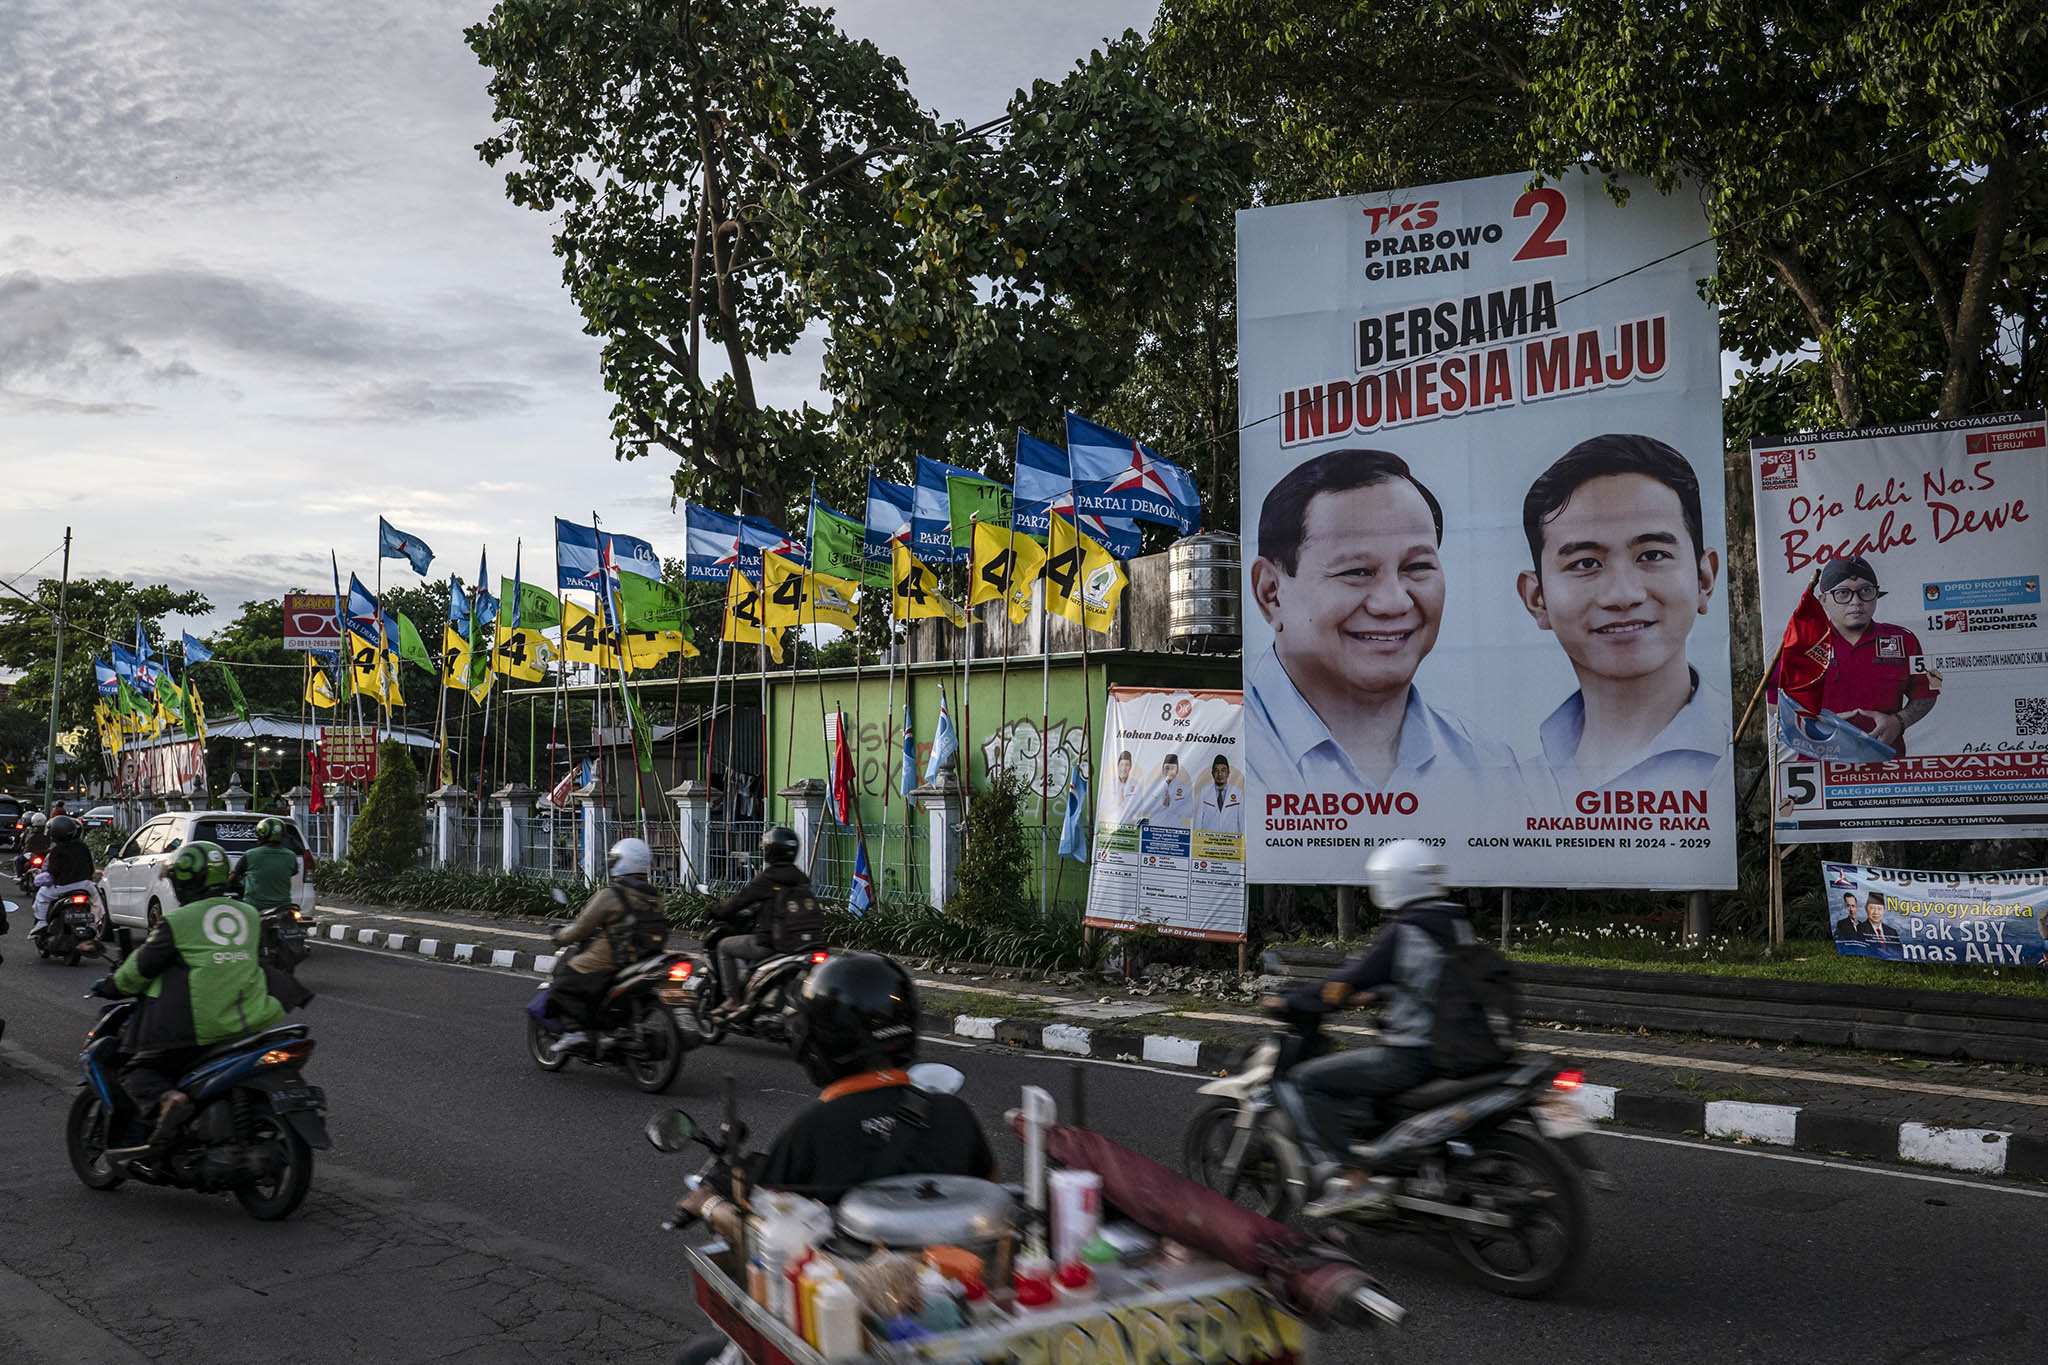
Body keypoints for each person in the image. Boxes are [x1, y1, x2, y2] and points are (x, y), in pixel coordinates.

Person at [1246, 448, 1512, 798]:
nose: (1394, 602)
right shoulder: (1221, 752)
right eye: (1357, 572)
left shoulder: (1488, 766)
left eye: (1417, 567)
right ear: (1272, 593)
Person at [676, 953, 995, 1231]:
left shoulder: (810, 1134)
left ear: (814, 1042)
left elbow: (765, 1231)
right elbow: (988, 1195)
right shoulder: (955, 1114)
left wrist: (708, 1204)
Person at [1267, 839, 1474, 1217]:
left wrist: (1293, 1002)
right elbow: (1432, 978)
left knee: (1307, 1080)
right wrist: (1379, 992)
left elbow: (1349, 979)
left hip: (1414, 1055)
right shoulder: (1454, 921)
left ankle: (1355, 1179)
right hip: (1459, 1047)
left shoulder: (1406, 928)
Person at [1514, 435, 1729, 794]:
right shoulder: (1514, 784)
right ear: (1538, 598)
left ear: (1703, 579)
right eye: (1585, 563)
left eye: (1652, 555)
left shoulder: (1755, 752)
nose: (1623, 595)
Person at [96, 841, 306, 1164]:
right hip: (248, 1021)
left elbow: (140, 969)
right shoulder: (248, 915)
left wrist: (112, 985)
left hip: (196, 1028)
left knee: (137, 1070)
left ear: (185, 880)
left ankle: (171, 1099)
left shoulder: (177, 921)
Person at [1769, 556, 1937, 757]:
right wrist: (1818, 724)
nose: (1856, 602)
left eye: (1865, 591)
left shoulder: (1905, 640)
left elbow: (1930, 690)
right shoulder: (1801, 645)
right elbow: (1773, 704)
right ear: (1824, 600)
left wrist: (1899, 722)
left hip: (1887, 766)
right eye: (1843, 593)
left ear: (1876, 595)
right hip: (1820, 768)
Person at [547, 836, 666, 1057]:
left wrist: (558, 937)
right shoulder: (653, 895)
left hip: (610, 960)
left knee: (563, 980)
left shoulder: (612, 894)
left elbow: (581, 928)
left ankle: (575, 1032)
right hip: (644, 958)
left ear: (620, 863)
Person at [707, 825, 818, 1022]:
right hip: (804, 943)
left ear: (770, 851)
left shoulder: (768, 878)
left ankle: (732, 998)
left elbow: (738, 901)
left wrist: (716, 911)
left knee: (724, 947)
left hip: (772, 943)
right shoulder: (801, 878)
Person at [31, 814, 98, 928]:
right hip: (85, 885)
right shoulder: (83, 847)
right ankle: (95, 924)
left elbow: (53, 872)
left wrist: (39, 878)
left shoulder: (57, 850)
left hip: (63, 886)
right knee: (97, 902)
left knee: (42, 896)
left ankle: (41, 922)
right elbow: (91, 868)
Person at [231, 817, 298, 910]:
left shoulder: (250, 854)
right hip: (283, 907)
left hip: (254, 906)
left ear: (261, 834)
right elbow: (293, 872)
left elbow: (233, 876)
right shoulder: (291, 856)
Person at [1194, 754, 1244, 835]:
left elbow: (1242, 820)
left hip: (1230, 841)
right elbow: (1198, 819)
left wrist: (1243, 844)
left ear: (1228, 773)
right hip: (1208, 840)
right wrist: (1196, 841)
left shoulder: (1238, 792)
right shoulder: (1204, 791)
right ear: (1212, 773)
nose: (1220, 774)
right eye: (1216, 770)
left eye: (1223, 770)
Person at [1146, 753, 1196, 829]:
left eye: (1172, 768)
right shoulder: (1153, 787)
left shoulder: (1185, 788)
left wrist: (1171, 805)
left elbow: (1190, 812)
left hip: (1174, 831)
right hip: (1155, 829)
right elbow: (1146, 808)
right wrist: (1161, 803)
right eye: (1167, 768)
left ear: (1177, 770)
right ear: (1162, 769)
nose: (1169, 771)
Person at [1104, 751, 1141, 826]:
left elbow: (1139, 809)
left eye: (1127, 765)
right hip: (1111, 826)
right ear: (1118, 766)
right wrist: (1117, 803)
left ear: (1130, 767)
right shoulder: (1110, 785)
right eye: (1122, 764)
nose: (1124, 768)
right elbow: (1103, 807)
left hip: (1130, 827)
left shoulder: (1136, 785)